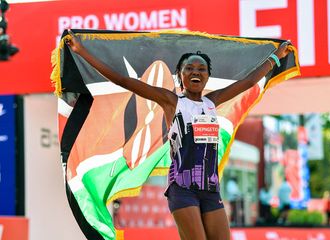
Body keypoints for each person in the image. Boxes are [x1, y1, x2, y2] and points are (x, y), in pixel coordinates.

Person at [66, 29, 291, 240]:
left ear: (207, 76)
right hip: (182, 190)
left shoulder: (212, 102)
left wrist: (276, 57)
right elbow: (126, 81)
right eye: (189, 68)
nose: (195, 72)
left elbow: (249, 81)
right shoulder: (172, 102)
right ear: (180, 75)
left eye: (201, 69)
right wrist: (83, 52)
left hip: (211, 191)